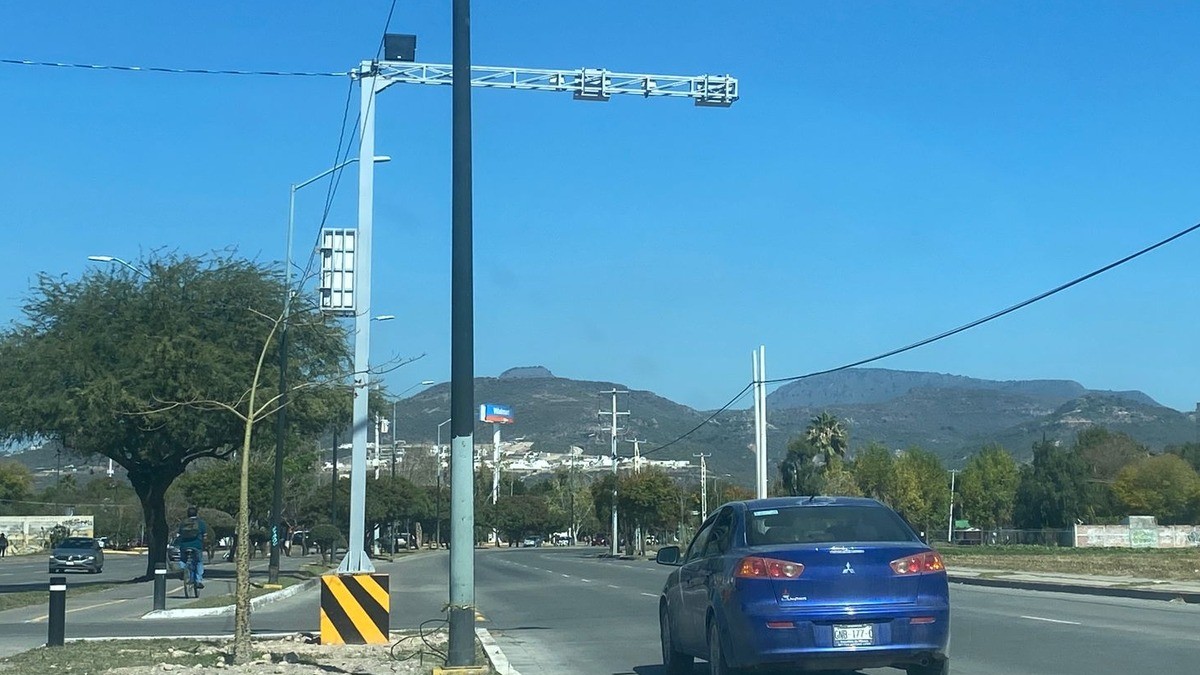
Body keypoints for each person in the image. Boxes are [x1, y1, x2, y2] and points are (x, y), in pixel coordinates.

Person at [176, 506, 207, 589]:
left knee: (183, 559)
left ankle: (182, 570)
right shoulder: (201, 523)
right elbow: (205, 536)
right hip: (197, 546)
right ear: (196, 513)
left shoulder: (183, 523)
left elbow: (179, 535)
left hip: (184, 546)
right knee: (199, 562)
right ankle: (198, 581)